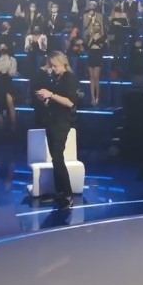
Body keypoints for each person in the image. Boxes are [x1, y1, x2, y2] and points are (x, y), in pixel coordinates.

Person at [35, 51, 80, 209]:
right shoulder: (56, 79)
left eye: (55, 66)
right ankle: (60, 192)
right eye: (52, 66)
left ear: (63, 63)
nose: (53, 68)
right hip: (52, 121)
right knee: (55, 158)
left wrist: (51, 94)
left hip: (62, 123)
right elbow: (54, 100)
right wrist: (45, 99)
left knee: (58, 159)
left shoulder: (70, 78)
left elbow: (70, 102)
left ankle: (67, 194)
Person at [0, 44, 18, 131]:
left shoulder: (12, 59)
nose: (2, 49)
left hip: (8, 81)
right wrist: (0, 69)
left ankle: (13, 126)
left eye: (4, 47)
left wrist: (5, 70)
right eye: (1, 47)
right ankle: (1, 127)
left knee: (10, 102)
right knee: (0, 104)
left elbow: (12, 72)